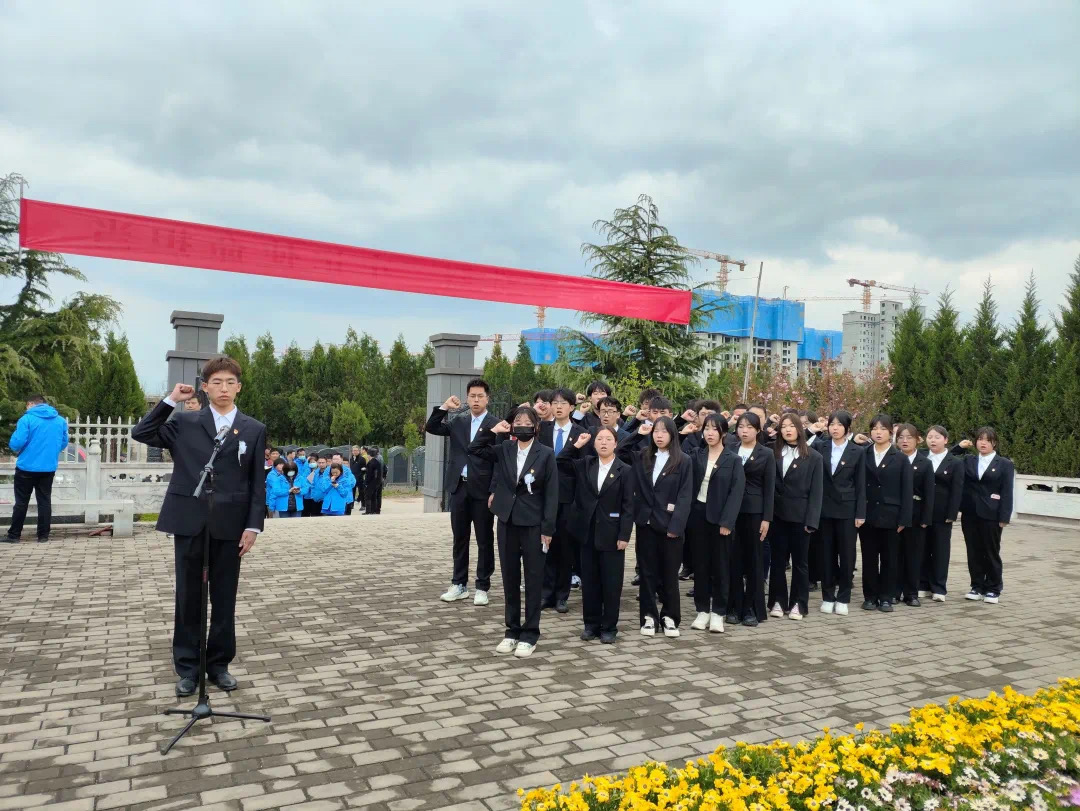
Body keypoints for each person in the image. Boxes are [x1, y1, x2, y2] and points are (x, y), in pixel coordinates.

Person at [131, 357, 266, 697]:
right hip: (189, 518)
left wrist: (253, 526)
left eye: (230, 382)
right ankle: (189, 668)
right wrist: (170, 400)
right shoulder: (185, 422)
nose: (224, 388)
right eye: (216, 382)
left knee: (224, 597)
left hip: (231, 523)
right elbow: (141, 432)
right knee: (188, 596)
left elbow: (256, 483)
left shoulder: (253, 428)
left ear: (239, 387)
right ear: (205, 387)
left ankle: (219, 665)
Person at [483, 406, 558, 658]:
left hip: (534, 524)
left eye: (527, 421)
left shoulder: (546, 454)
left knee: (533, 579)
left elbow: (552, 494)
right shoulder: (505, 448)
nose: (522, 424)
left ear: (536, 427)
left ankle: (530, 633)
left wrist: (548, 528)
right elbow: (475, 450)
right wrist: (493, 431)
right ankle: (512, 631)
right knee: (510, 577)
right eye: (518, 421)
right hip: (507, 521)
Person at [425, 379, 503, 605]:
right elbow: (432, 427)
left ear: (487, 398)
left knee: (484, 539)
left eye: (480, 396)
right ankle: (459, 584)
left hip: (482, 489)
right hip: (459, 486)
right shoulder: (459, 420)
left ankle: (482, 586)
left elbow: (499, 460)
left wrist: (494, 489)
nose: (476, 400)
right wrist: (444, 407)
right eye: (472, 396)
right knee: (460, 538)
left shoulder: (496, 424)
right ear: (467, 398)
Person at [619, 415, 693, 639]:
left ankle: (670, 617)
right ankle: (648, 616)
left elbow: (685, 495)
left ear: (672, 434)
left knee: (669, 574)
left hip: (670, 526)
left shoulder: (683, 460)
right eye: (656, 431)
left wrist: (676, 526)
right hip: (646, 524)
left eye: (664, 431)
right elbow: (620, 451)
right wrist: (636, 433)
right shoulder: (644, 455)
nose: (659, 436)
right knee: (647, 573)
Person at [560, 426, 634, 643]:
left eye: (608, 439)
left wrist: (624, 535)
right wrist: (577, 445)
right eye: (600, 438)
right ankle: (591, 624)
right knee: (590, 581)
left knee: (611, 583)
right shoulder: (586, 464)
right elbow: (560, 462)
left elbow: (629, 506)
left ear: (615, 443)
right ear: (593, 443)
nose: (603, 442)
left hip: (612, 534)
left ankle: (609, 627)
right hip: (587, 533)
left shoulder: (625, 470)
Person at [685, 414, 745, 633]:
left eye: (714, 429)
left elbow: (736, 493)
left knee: (720, 566)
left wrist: (727, 521)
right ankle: (702, 610)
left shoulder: (733, 459)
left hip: (721, 519)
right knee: (700, 565)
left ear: (723, 433)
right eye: (706, 429)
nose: (709, 433)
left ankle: (718, 611)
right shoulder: (696, 455)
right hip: (697, 516)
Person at [810, 410, 866, 616]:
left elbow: (861, 484)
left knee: (847, 554)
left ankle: (843, 597)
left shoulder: (857, 451)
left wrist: (860, 513)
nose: (835, 428)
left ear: (847, 428)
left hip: (847, 509)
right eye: (832, 424)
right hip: (824, 509)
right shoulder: (820, 446)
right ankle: (827, 596)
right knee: (826, 554)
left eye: (839, 425)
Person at [768, 414, 823, 621]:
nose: (788, 430)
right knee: (777, 561)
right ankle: (777, 601)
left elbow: (817, 492)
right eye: (784, 426)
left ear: (800, 429)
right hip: (776, 515)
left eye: (792, 426)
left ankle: (799, 603)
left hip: (801, 517)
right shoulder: (772, 451)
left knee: (800, 563)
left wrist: (812, 521)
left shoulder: (813, 456)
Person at [858, 414, 913, 613]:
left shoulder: (900, 458)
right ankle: (870, 597)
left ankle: (886, 597)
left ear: (891, 432)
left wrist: (904, 519)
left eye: (882, 429)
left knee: (890, 559)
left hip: (891, 515)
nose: (878, 432)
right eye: (874, 428)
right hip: (868, 514)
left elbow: (907, 491)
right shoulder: (863, 454)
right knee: (869, 558)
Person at [538, 388, 586, 612]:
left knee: (566, 547)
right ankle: (546, 593)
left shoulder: (581, 433)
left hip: (569, 497)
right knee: (546, 545)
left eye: (563, 403)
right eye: (555, 403)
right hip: (544, 495)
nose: (558, 407)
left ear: (572, 407)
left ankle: (561, 596)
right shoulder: (543, 429)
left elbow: (581, 466)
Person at [955, 427, 1014, 604]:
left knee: (991, 551)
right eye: (980, 439)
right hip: (970, 513)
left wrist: (1004, 517)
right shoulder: (968, 460)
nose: (983, 443)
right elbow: (946, 459)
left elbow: (1007, 491)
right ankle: (977, 586)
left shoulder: (1004, 464)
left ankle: (994, 588)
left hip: (992, 514)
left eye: (988, 440)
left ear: (994, 443)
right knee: (973, 551)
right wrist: (959, 447)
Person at [727, 412, 774, 627]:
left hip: (755, 512)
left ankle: (751, 608)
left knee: (754, 560)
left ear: (758, 430)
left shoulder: (766, 453)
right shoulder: (730, 449)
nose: (744, 431)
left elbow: (769, 488)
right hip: (732, 512)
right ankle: (734, 607)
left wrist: (767, 518)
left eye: (749, 427)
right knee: (734, 559)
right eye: (741, 426)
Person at [3, 394, 69, 544]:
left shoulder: (26, 419)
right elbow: (64, 442)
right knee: (44, 501)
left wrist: (20, 449)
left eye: (27, 405)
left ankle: (14, 535)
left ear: (31, 404)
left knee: (21, 502)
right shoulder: (60, 421)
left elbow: (16, 443)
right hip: (48, 468)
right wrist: (51, 452)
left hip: (26, 467)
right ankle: (43, 536)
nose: (26, 408)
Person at [918, 425, 964, 601]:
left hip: (942, 512)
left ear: (946, 440)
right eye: (930, 437)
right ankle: (922, 584)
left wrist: (952, 513)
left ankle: (938, 587)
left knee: (940, 550)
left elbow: (957, 490)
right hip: (922, 511)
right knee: (922, 548)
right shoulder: (921, 457)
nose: (933, 440)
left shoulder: (955, 462)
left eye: (937, 437)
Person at [895, 424, 935, 606]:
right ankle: (894, 591)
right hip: (895, 514)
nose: (905, 441)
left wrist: (926, 518)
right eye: (901, 437)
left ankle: (911, 593)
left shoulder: (925, 463)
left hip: (916, 515)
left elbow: (929, 493)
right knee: (895, 554)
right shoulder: (893, 459)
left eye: (909, 437)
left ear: (917, 440)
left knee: (914, 555)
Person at [364, 447, 384, 514]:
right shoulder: (377, 462)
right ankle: (374, 510)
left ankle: (368, 511)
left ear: (369, 455)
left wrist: (366, 482)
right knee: (374, 496)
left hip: (371, 482)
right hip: (377, 481)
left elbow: (369, 474)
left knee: (368, 496)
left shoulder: (370, 463)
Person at [349, 445, 367, 515]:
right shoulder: (351, 459)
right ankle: (351, 504)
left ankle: (363, 505)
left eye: (356, 450)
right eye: (353, 450)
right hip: (352, 478)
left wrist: (360, 474)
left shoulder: (362, 459)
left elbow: (364, 468)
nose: (355, 452)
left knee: (361, 492)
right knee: (352, 492)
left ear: (359, 451)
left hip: (360, 478)